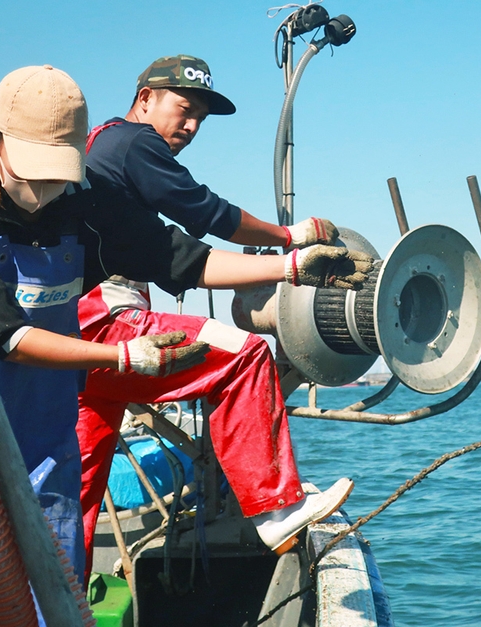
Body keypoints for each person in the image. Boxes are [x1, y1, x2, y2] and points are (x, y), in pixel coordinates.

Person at [0, 65, 369, 606]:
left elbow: (183, 259)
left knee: (55, 562)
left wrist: (292, 269)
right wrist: (120, 355)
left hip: (47, 409)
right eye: (33, 174)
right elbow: (6, 335)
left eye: (56, 174)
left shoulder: (85, 202)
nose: (45, 192)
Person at [75, 54, 347, 577]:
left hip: (75, 345)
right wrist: (293, 240)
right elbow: (208, 215)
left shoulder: (102, 153)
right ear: (145, 98)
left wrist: (288, 266)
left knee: (78, 492)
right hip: (106, 321)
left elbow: (181, 258)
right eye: (184, 108)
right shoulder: (134, 143)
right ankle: (275, 509)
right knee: (243, 356)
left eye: (200, 117)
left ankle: (53, 603)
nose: (192, 125)